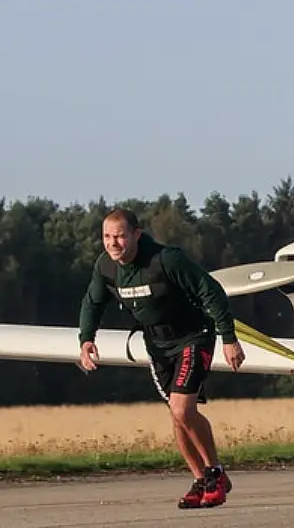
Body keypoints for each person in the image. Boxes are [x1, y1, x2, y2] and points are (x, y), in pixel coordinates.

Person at [77, 208, 246, 509]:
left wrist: (229, 339)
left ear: (136, 235)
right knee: (176, 415)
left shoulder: (166, 259)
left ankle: (216, 473)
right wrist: (86, 339)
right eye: (106, 236)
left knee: (183, 409)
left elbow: (212, 292)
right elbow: (93, 302)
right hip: (156, 344)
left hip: (193, 337)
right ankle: (199, 479)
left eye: (119, 236)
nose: (113, 243)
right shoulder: (106, 267)